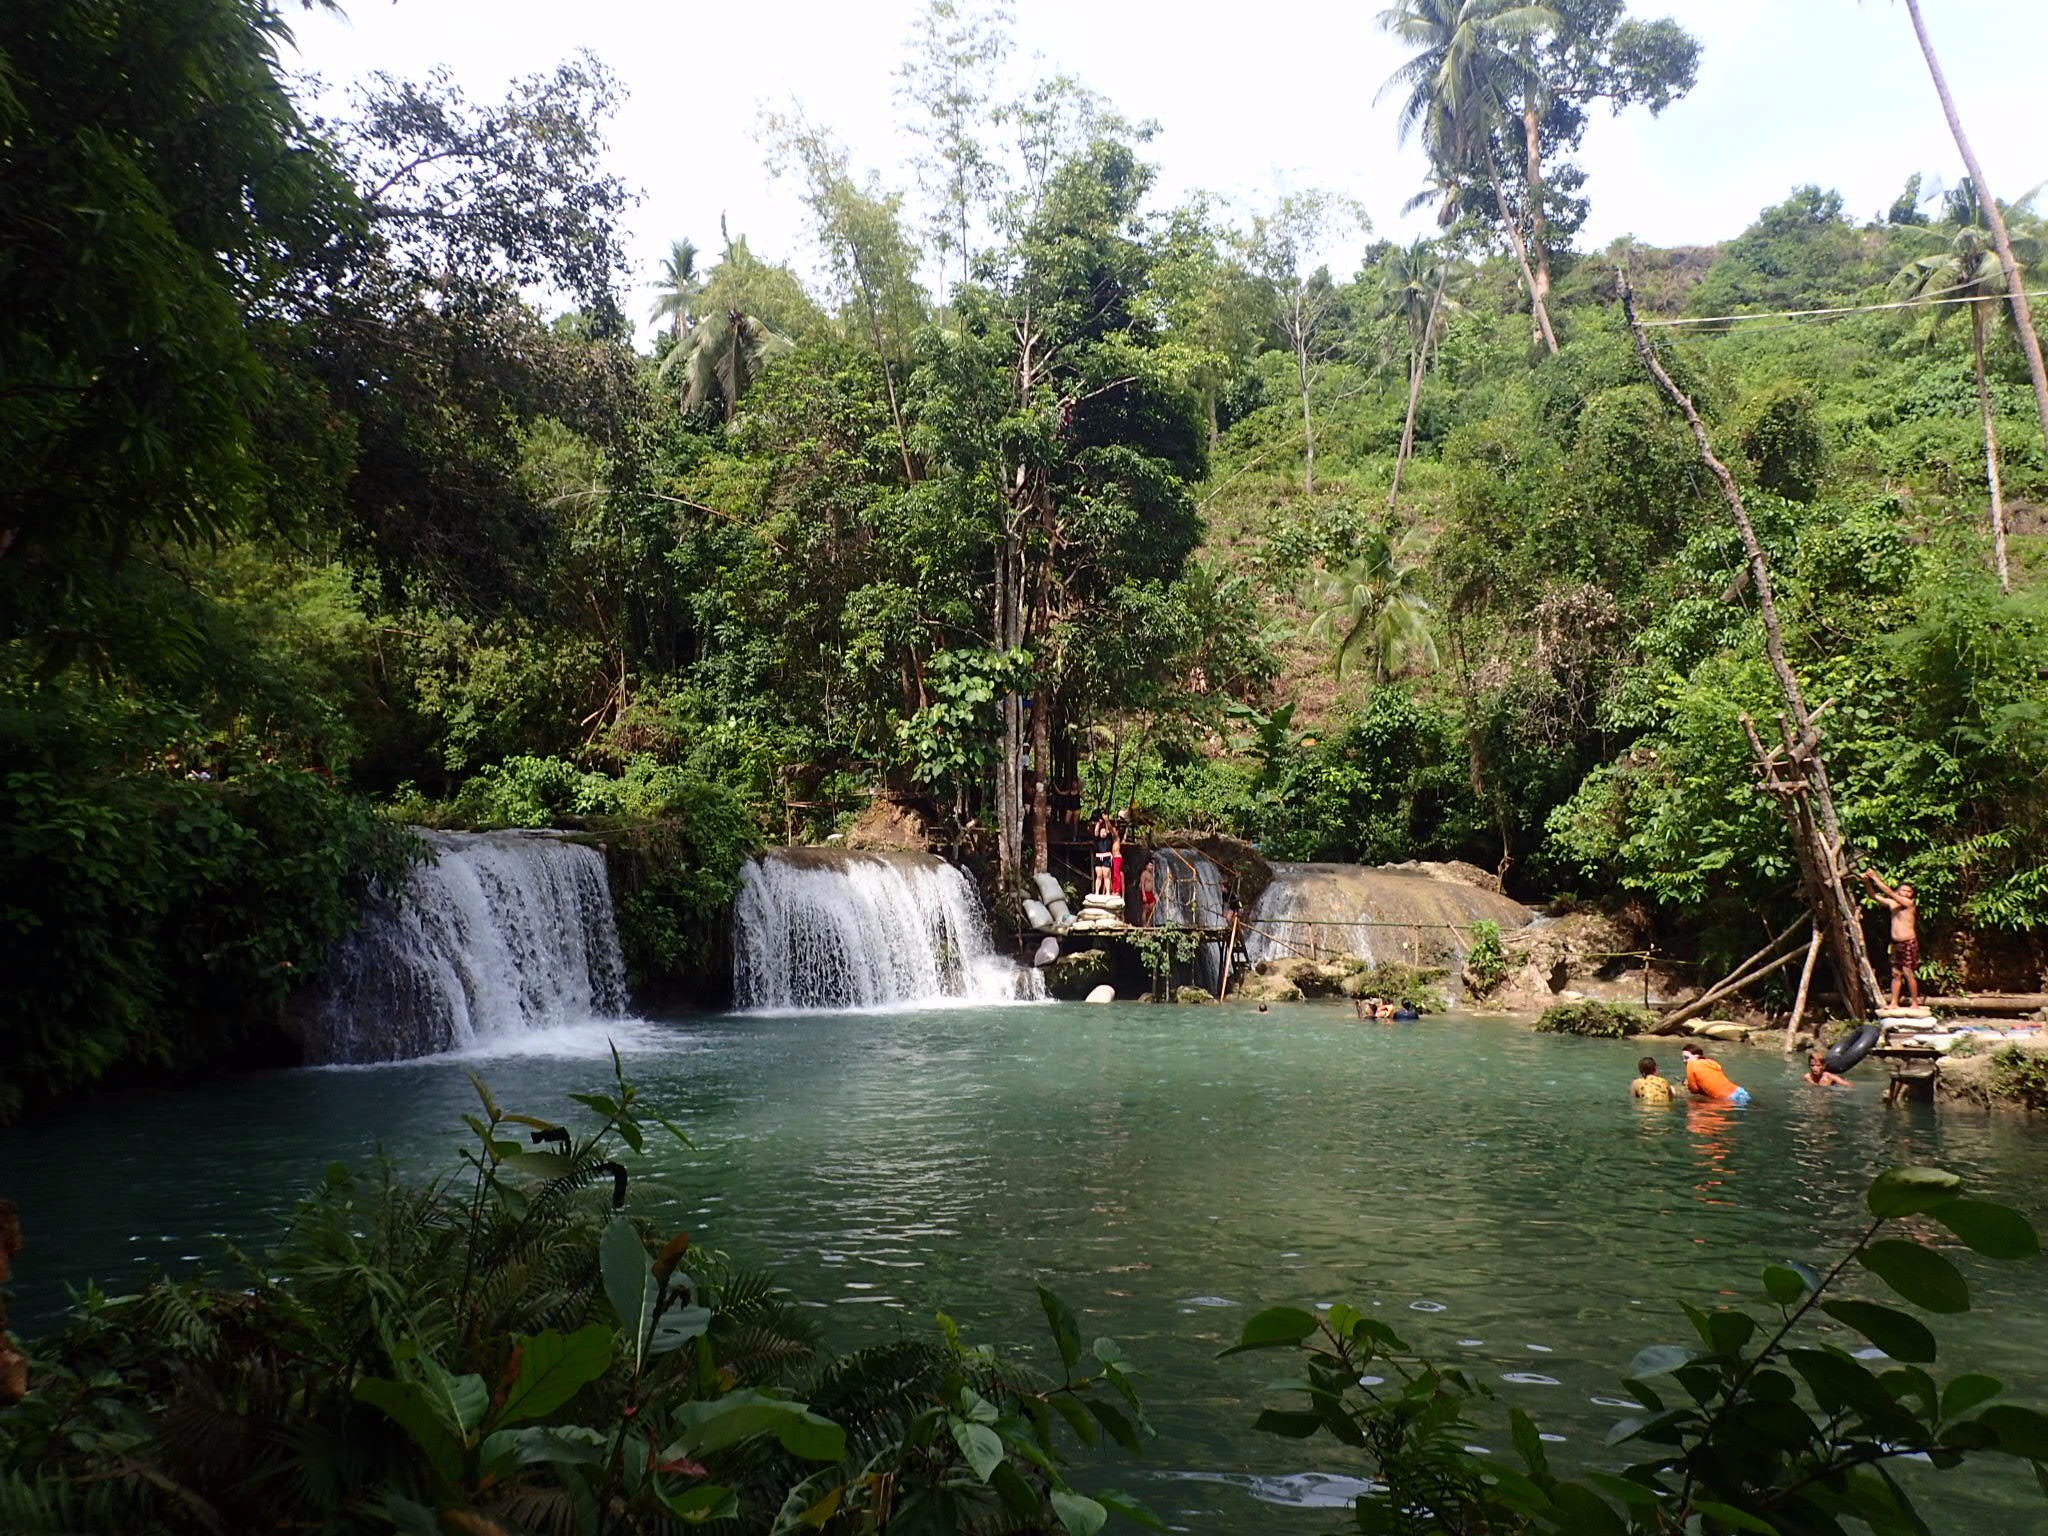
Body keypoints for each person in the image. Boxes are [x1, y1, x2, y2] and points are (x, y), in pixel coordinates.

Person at [1861, 868, 1922, 1008]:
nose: (1906, 893)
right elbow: (1873, 896)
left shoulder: (1909, 904)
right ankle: (1894, 1002)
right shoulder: (1892, 904)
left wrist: (1875, 877)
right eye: (1903, 890)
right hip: (1895, 943)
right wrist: (1867, 883)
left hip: (1908, 942)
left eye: (1909, 891)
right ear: (1899, 891)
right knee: (1896, 973)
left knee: (1908, 972)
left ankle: (1914, 1002)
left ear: (1912, 895)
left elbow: (1888, 892)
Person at [1681, 1044, 1750, 1106]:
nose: (1684, 1060)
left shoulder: (1691, 1064)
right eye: (1683, 1058)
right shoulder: (1712, 1062)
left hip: (1729, 1099)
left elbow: (1694, 1090)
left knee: (1694, 1110)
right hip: (1740, 1091)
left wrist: (1688, 1084)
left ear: (1697, 1056)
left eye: (1686, 1057)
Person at [1091, 812, 1115, 896]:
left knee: (1106, 876)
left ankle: (1108, 892)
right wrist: (1099, 823)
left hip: (1106, 857)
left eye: (1104, 832)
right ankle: (1097, 892)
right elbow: (1096, 831)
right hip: (1098, 857)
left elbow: (1110, 830)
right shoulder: (1097, 838)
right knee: (1099, 875)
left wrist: (1106, 820)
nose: (1103, 833)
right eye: (1102, 832)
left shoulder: (1108, 837)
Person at [1137, 862, 1158, 928]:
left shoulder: (1152, 875)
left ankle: (1149, 924)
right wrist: (1143, 895)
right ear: (1146, 866)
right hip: (1145, 893)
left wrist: (1155, 895)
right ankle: (1144, 925)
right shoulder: (1144, 874)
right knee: (1145, 910)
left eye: (1152, 866)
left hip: (1151, 893)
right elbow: (1142, 885)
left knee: (1151, 910)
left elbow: (1153, 886)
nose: (1151, 867)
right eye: (1150, 865)